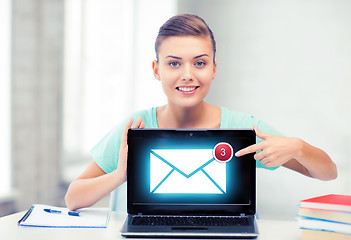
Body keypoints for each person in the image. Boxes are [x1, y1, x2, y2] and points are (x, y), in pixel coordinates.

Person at [65, 14, 337, 211]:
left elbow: (328, 173)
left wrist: (298, 147)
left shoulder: (245, 128)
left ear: (214, 69)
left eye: (200, 63)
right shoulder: (135, 127)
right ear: (156, 69)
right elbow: (73, 199)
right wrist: (119, 175)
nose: (187, 75)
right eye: (174, 63)